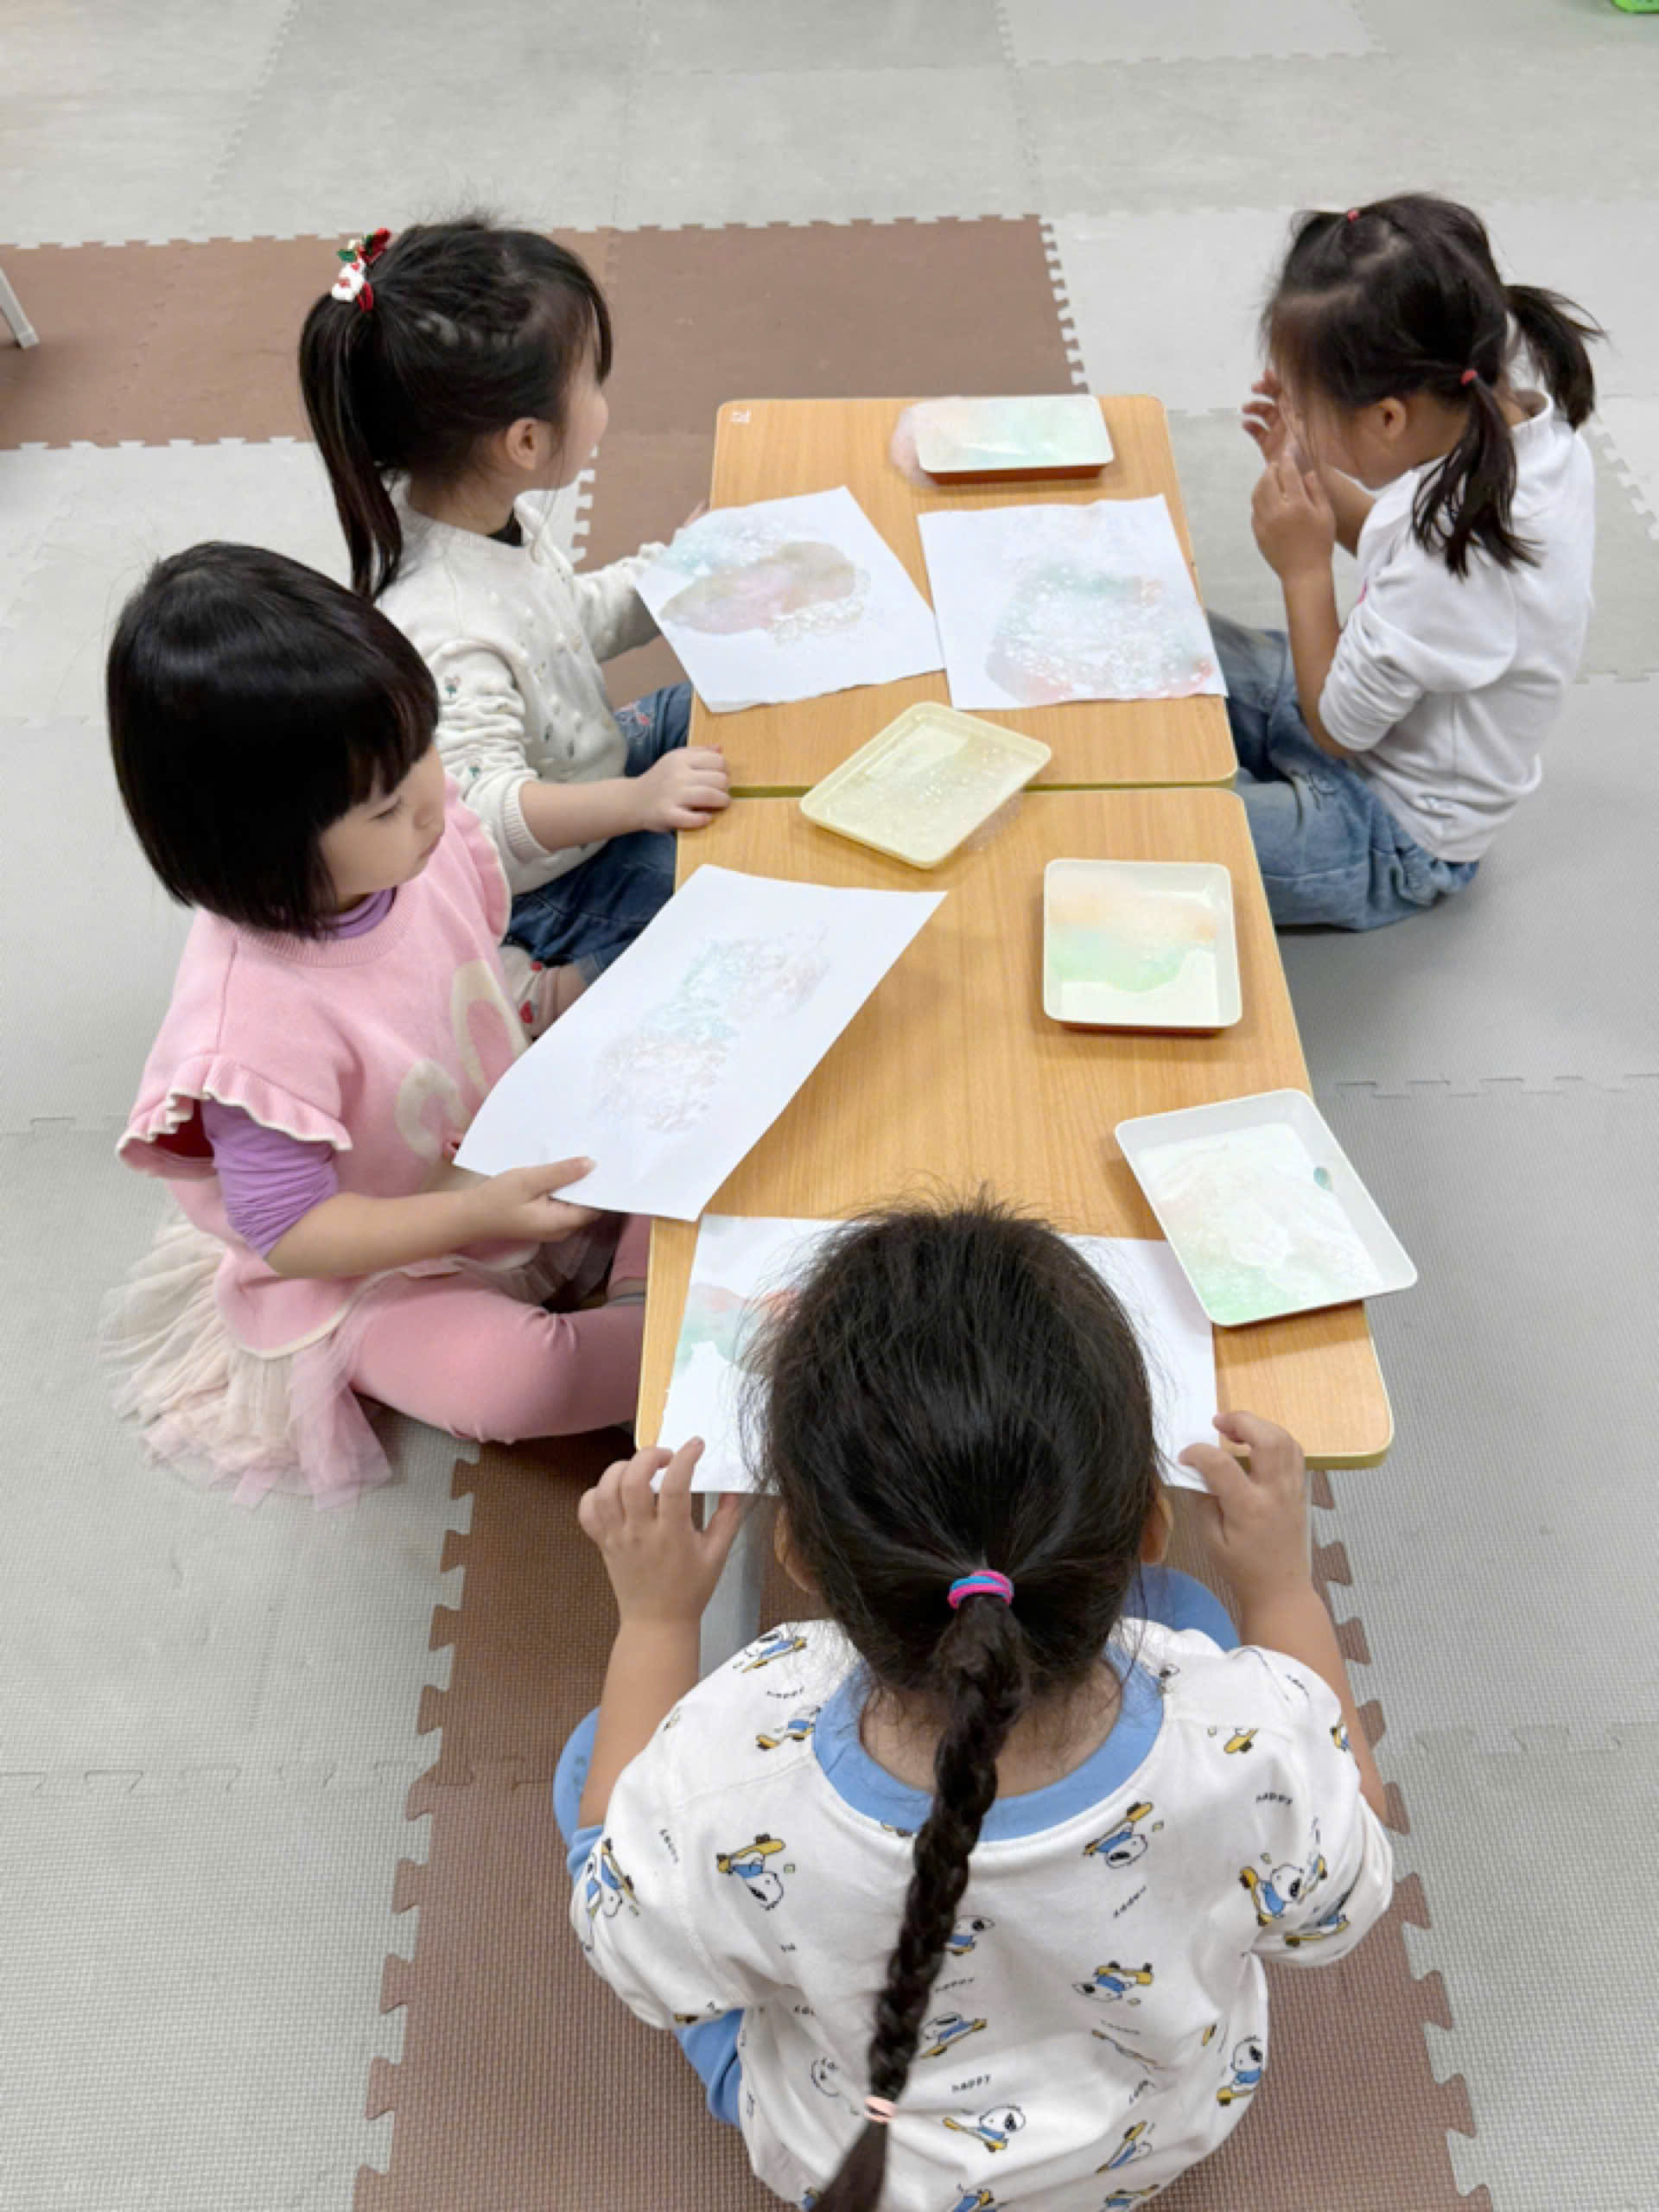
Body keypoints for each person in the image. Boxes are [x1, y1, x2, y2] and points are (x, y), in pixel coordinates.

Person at [556, 1200, 1392, 2209]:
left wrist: (655, 1625)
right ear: (1150, 1525)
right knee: (1194, 1618)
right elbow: (1350, 1879)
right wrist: (1284, 1590)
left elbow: (622, 1939)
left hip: (860, 2161)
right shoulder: (1246, 1731)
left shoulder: (736, 1752)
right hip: (1147, 2135)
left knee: (594, 1763)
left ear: (799, 1556)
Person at [105, 544, 645, 1507]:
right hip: (360, 1268)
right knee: (521, 1380)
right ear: (259, 854)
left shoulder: (416, 843)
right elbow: (295, 1234)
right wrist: (473, 1214)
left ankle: (655, 1308)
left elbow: (454, 976)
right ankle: (676, 1339)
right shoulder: (251, 1028)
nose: (434, 799)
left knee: (675, 1087)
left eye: (423, 746)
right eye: (388, 802)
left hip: (481, 1136)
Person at [300, 217, 728, 1005]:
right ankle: (542, 993)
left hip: (580, 767)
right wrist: (639, 802)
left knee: (703, 709)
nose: (603, 403)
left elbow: (569, 621)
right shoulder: (446, 621)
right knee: (703, 899)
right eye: (593, 382)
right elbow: (490, 819)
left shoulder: (484, 514)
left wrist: (676, 573)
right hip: (543, 880)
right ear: (526, 442)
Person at [1218, 192, 1599, 928]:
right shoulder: (1518, 440)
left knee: (1173, 835)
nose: (1296, 416)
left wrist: (1302, 569)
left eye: (1307, 407)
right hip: (1361, 708)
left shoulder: (1465, 550)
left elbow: (1336, 728)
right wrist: (1312, 468)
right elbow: (1396, 553)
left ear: (1389, 417)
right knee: (1175, 642)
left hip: (1387, 829)